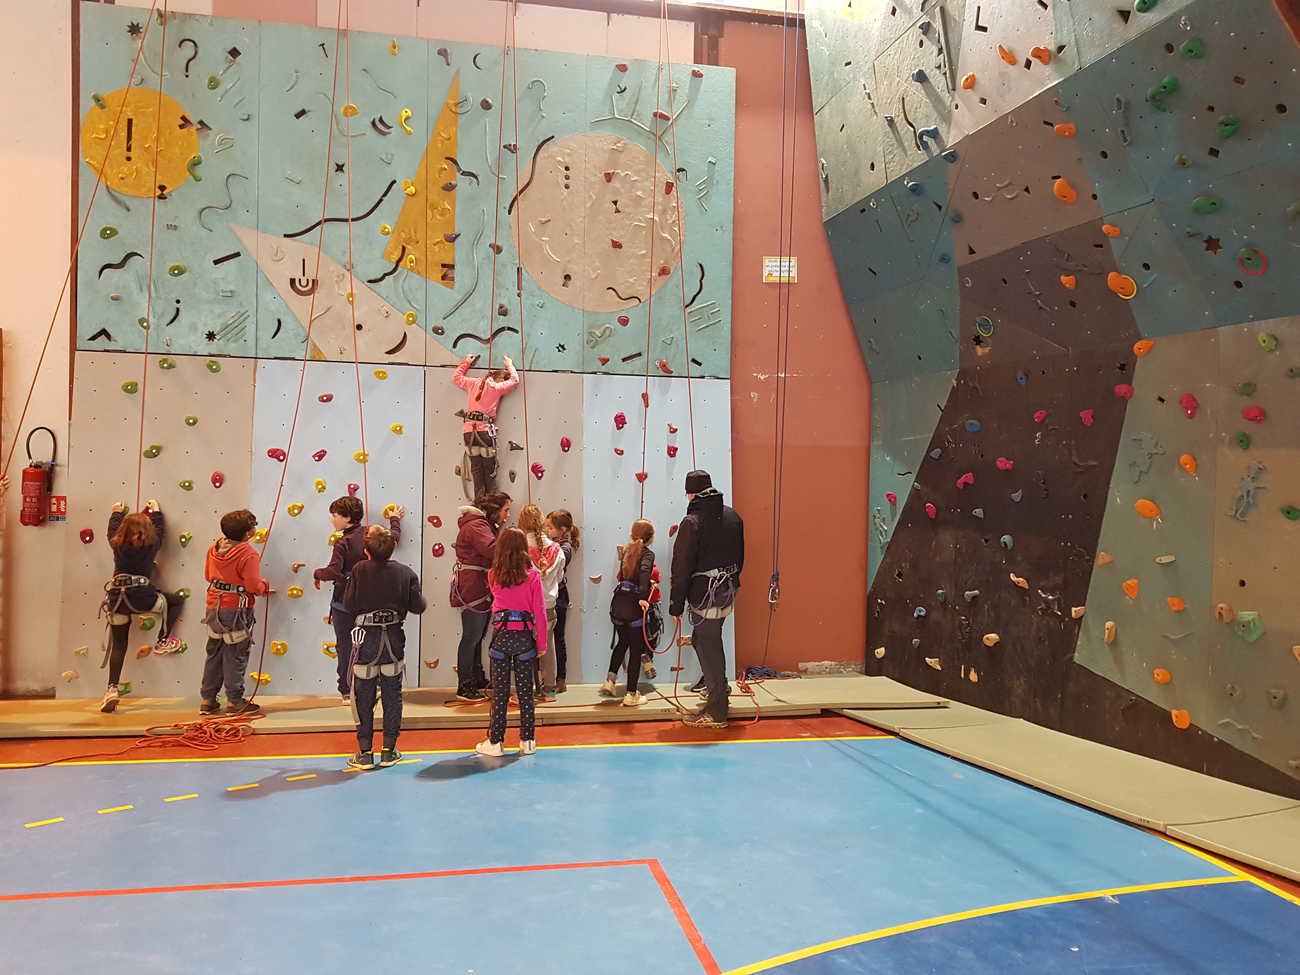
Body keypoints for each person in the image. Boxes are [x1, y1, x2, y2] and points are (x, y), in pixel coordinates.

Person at [343, 525, 426, 770]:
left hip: (365, 638)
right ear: (393, 548)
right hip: (392, 637)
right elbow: (418, 606)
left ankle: (365, 752)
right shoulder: (405, 573)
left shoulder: (359, 570)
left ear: (366, 550)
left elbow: (349, 604)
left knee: (363, 692)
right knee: (392, 693)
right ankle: (389, 750)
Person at [669, 470, 744, 728]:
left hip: (706, 595)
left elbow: (681, 566)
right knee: (708, 640)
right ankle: (719, 690)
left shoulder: (692, 522)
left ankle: (717, 710)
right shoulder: (733, 515)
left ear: (690, 493)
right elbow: (741, 556)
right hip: (727, 591)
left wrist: (675, 604)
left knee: (707, 645)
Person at [313, 496, 404, 703]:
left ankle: (347, 690)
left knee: (346, 646)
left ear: (347, 518)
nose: (332, 520)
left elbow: (333, 572)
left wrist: (317, 574)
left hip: (345, 604)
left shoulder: (343, 542)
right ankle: (373, 687)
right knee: (371, 644)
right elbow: (395, 538)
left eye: (335, 516)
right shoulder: (373, 535)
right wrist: (394, 519)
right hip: (373, 603)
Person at [98, 500, 186, 714]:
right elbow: (160, 530)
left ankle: (111, 689)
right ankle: (162, 641)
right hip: (143, 597)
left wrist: (116, 511)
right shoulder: (152, 544)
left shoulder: (116, 543)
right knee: (175, 600)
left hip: (118, 598)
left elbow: (112, 529)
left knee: (119, 644)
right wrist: (156, 510)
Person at [475, 528, 547, 757]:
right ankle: (528, 740)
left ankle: (495, 741)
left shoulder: (493, 575)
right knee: (526, 692)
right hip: (525, 639)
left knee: (501, 693)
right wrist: (542, 644)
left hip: (502, 638)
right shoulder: (533, 577)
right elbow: (540, 613)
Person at [199, 509, 274, 716]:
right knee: (235, 654)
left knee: (214, 651)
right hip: (236, 609)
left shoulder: (213, 549)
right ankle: (234, 701)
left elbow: (208, 576)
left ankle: (208, 699)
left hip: (213, 606)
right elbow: (252, 585)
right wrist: (263, 586)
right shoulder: (247, 553)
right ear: (248, 533)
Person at [452, 491, 512, 701]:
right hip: (474, 586)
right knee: (471, 636)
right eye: (505, 511)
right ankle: (465, 684)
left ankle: (475, 678)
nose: (507, 516)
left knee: (477, 636)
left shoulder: (480, 525)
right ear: (493, 510)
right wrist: (516, 544)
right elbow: (493, 551)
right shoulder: (477, 526)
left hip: (477, 584)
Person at [602, 519, 656, 707]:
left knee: (622, 642)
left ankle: (610, 680)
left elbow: (623, 575)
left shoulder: (627, 551)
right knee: (635, 649)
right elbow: (644, 574)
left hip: (618, 605)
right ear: (650, 538)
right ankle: (631, 694)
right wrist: (643, 596)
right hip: (634, 606)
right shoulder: (647, 554)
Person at [453, 353, 519, 498]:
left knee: (476, 470)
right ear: (500, 378)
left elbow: (456, 378)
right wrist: (509, 364)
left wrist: (466, 362)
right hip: (485, 432)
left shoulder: (473, 383)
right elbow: (515, 380)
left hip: (469, 432)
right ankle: (492, 506)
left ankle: (479, 503)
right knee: (489, 471)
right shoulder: (496, 387)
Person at [519, 504, 565, 702]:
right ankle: (549, 690)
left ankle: (527, 688)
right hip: (548, 604)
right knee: (548, 647)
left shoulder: (519, 549)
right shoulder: (557, 549)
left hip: (524, 606)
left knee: (524, 647)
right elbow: (560, 577)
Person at [545, 509, 579, 693]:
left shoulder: (564, 547)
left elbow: (553, 564)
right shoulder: (554, 544)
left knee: (558, 637)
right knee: (545, 638)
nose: (547, 531)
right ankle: (547, 677)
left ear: (562, 529)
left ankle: (561, 679)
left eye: (550, 528)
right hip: (550, 595)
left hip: (559, 595)